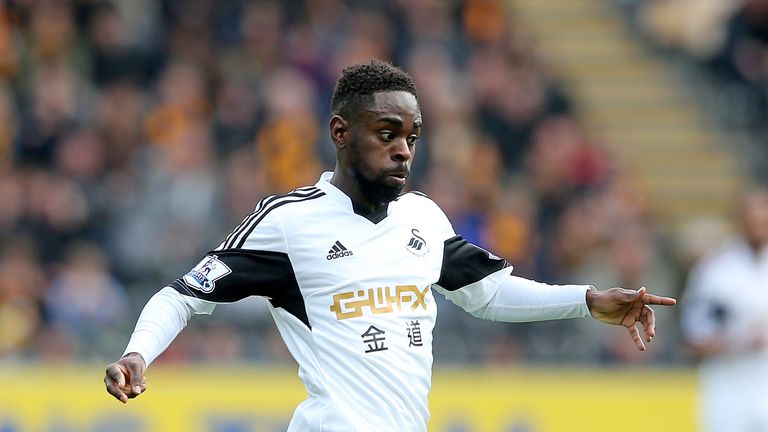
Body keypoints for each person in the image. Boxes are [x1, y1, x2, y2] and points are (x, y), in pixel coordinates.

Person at [104, 60, 676, 431]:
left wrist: (586, 299)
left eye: (412, 136)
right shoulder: (290, 222)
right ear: (340, 133)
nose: (403, 149)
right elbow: (184, 295)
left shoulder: (422, 218)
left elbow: (488, 293)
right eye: (387, 133)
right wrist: (137, 353)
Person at [680, 185, 768, 432]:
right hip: (729, 394)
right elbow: (695, 339)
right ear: (739, 220)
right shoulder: (716, 272)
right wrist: (741, 340)